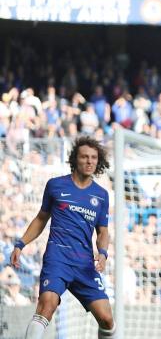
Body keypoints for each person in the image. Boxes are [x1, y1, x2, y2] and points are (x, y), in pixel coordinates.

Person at [11, 136, 114, 339]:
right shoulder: (56, 186)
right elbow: (41, 218)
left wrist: (102, 253)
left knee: (107, 320)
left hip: (85, 264)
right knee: (47, 305)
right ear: (75, 159)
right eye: (84, 157)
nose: (89, 161)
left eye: (93, 157)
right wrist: (21, 243)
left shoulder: (101, 195)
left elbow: (103, 231)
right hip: (58, 259)